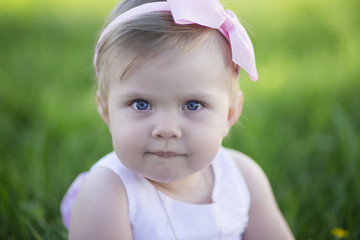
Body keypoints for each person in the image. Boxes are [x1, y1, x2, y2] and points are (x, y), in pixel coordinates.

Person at [61, 0, 295, 239]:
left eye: (193, 105)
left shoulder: (243, 179)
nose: (166, 129)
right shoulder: (108, 192)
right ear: (106, 110)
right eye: (141, 104)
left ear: (230, 114)